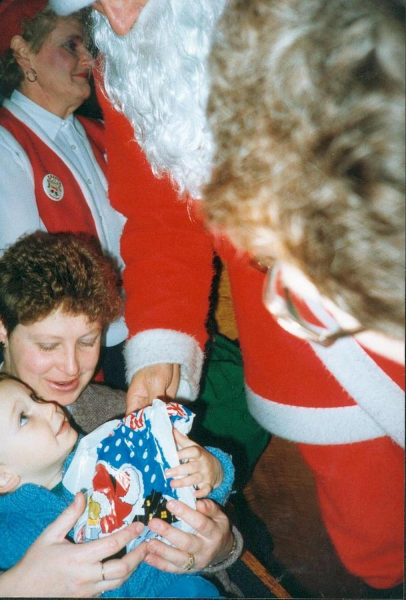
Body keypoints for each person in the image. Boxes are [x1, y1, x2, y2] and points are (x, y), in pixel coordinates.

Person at [51, 0, 405, 591]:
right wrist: (163, 342)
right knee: (378, 545)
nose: (112, 17)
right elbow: (164, 217)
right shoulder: (132, 61)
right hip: (310, 359)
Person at [0, 231, 240, 597]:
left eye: (88, 341)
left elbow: (211, 508)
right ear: (1, 327)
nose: (71, 367)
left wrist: (221, 547)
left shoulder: (118, 412)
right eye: (48, 345)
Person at [0, 372, 235, 598]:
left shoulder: (104, 451)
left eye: (35, 398)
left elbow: (187, 495)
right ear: (0, 477)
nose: (50, 408)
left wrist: (214, 472)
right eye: (23, 418)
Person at [0, 0, 127, 388]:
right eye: (71, 45)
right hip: (57, 369)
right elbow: (35, 285)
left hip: (121, 342)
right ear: (22, 53)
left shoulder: (99, 133)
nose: (88, 58)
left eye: (88, 47)